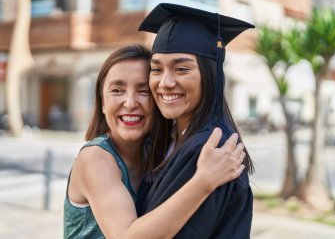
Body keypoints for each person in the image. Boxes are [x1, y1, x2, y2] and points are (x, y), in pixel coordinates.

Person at [64, 45, 246, 239]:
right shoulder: (95, 158)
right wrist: (203, 182)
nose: (131, 103)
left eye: (143, 91)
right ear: (102, 102)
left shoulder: (157, 152)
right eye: (117, 90)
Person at [137, 3, 255, 238]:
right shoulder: (176, 140)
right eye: (156, 69)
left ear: (210, 74)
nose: (165, 82)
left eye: (181, 69)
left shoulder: (209, 149)